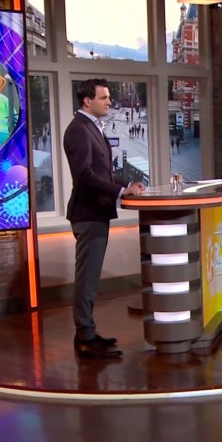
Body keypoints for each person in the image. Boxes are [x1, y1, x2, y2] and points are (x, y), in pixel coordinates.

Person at [64, 78, 146, 358]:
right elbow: (85, 176)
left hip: (96, 213)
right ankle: (85, 338)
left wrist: (127, 185)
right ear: (87, 101)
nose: (110, 102)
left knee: (90, 278)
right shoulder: (78, 130)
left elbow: (103, 174)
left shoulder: (90, 127)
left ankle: (87, 332)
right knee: (87, 279)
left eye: (109, 97)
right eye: (104, 98)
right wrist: (121, 192)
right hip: (88, 213)